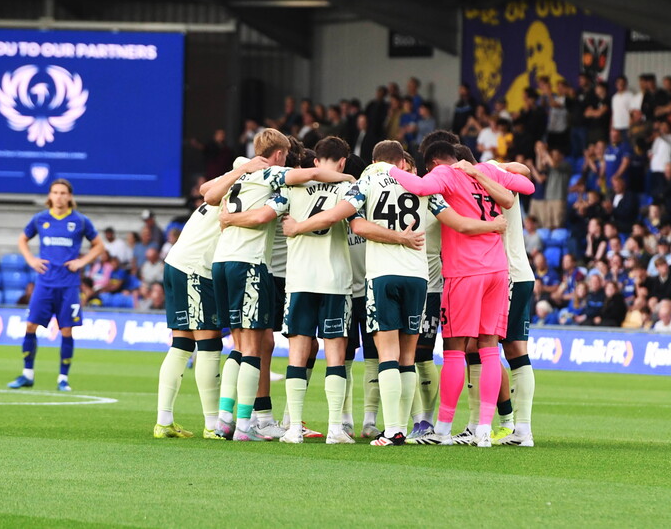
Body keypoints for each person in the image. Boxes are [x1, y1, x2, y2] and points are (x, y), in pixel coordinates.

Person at [283, 137, 508, 446]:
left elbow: (344, 219)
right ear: (402, 163)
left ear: (375, 161)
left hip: (383, 277)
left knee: (387, 354)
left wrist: (299, 226)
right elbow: (460, 224)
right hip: (418, 280)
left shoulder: (367, 182)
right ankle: (407, 425)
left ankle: (393, 430)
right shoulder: (421, 185)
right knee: (408, 356)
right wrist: (493, 226)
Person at [208, 129, 354, 442]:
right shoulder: (276, 176)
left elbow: (207, 193)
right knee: (256, 347)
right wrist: (352, 179)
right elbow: (272, 209)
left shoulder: (239, 177)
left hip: (223, 263)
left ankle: (225, 420)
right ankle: (252, 425)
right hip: (258, 266)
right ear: (279, 155)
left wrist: (231, 209)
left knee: (245, 343)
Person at [388, 140, 534, 447]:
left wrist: (386, 167)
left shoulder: (444, 175)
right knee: (490, 348)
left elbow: (418, 186)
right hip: (498, 270)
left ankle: (442, 430)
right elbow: (527, 186)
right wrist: (489, 172)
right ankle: (483, 429)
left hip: (464, 272)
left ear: (433, 164)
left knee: (454, 349)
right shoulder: (484, 170)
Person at [153, 156, 269, 440]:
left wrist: (239, 170)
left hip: (179, 263)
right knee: (209, 343)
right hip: (195, 268)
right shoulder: (242, 194)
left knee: (181, 343)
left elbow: (207, 188)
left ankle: (164, 421)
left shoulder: (224, 189)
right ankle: (212, 424)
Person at [8, 179, 105, 392]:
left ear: (70, 196)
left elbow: (99, 246)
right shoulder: (40, 219)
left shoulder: (80, 221)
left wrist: (82, 262)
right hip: (44, 284)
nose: (59, 196)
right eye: (55, 192)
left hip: (69, 285)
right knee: (31, 326)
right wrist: (31, 260)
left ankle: (63, 378)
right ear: (49, 196)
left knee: (67, 330)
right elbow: (22, 240)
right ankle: (27, 374)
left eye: (63, 193)